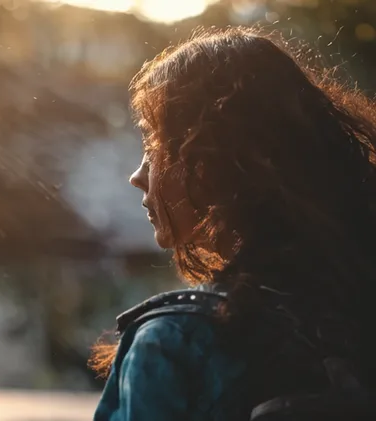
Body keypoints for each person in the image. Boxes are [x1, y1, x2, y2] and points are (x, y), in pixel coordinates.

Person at [92, 27, 376, 421]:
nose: (137, 175)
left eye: (152, 143)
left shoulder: (173, 343)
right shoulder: (355, 313)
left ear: (208, 164)